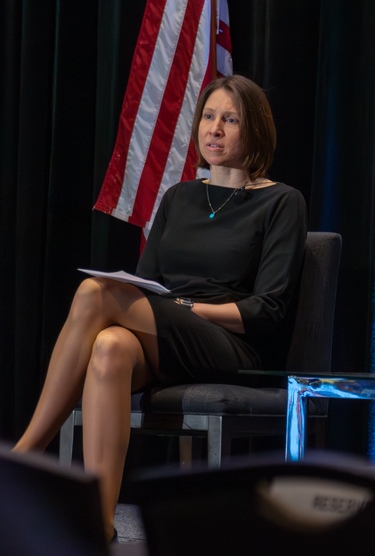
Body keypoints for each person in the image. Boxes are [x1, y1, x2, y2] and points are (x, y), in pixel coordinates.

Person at [12, 75, 307, 541]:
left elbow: (267, 309)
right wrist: (169, 307)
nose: (215, 129)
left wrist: (191, 308)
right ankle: (99, 524)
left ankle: (27, 454)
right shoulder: (178, 197)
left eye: (230, 119)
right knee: (108, 347)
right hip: (166, 332)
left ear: (254, 131)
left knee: (94, 293)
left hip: (231, 345)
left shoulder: (280, 201)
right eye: (208, 117)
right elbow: (147, 283)